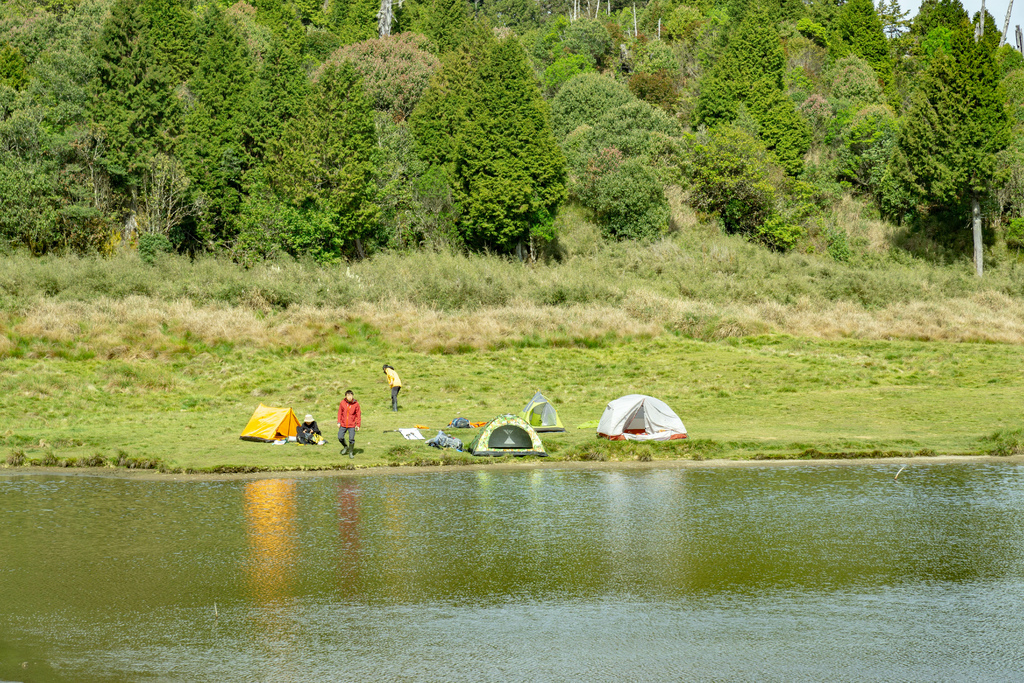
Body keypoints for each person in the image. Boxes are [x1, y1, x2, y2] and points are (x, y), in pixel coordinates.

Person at [337, 390, 361, 458]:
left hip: (352, 425)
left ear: (352, 396)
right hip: (343, 424)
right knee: (340, 437)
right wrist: (338, 422)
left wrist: (358, 425)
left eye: (351, 395)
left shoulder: (356, 404)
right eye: (348, 395)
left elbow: (358, 415)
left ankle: (351, 452)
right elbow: (339, 413)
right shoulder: (342, 403)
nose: (350, 397)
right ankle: (345, 446)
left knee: (351, 439)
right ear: (346, 396)